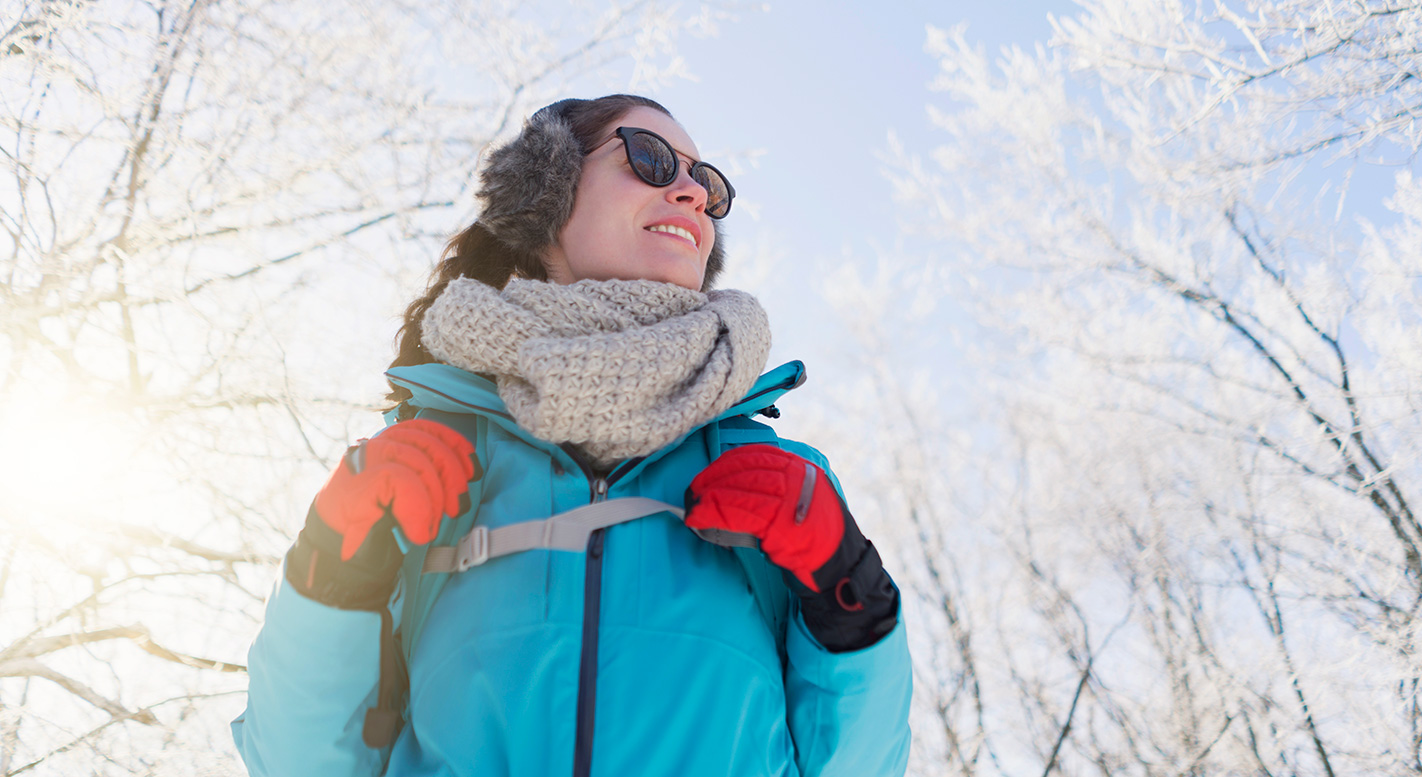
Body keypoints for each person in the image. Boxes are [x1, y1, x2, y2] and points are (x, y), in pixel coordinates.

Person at [232, 94, 912, 777]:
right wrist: (328, 575)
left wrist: (853, 599)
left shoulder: (773, 476)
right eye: (650, 159)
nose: (692, 194)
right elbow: (299, 761)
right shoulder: (424, 462)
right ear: (544, 192)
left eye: (708, 185)